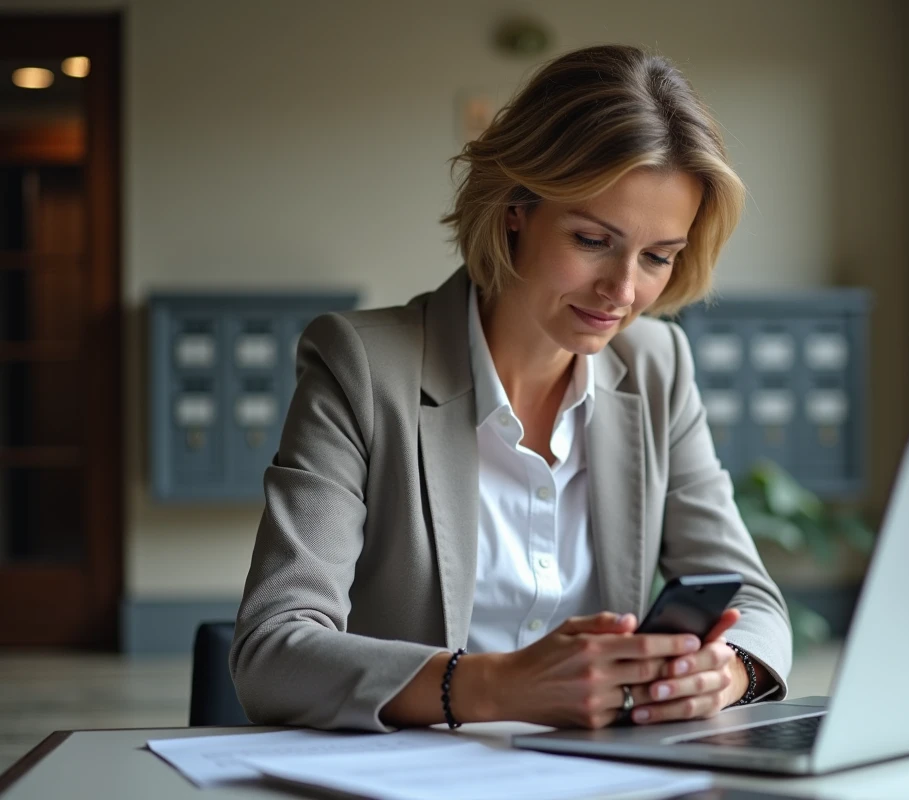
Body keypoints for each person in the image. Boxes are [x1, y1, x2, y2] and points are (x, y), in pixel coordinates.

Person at [230, 43, 792, 733]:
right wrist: (494, 686)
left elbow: (754, 603)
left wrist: (723, 671)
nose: (623, 290)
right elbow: (272, 650)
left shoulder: (657, 365)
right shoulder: (362, 366)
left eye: (657, 258)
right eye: (592, 239)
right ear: (516, 208)